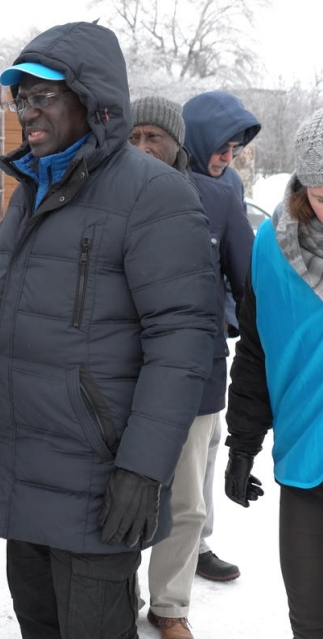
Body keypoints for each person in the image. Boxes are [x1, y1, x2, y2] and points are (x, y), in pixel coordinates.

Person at [0, 22, 218, 638]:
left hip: (99, 477)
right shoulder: (28, 192)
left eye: (44, 96)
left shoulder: (156, 194)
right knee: (38, 625)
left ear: (94, 99)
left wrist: (144, 469)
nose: (28, 113)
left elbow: (182, 344)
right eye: (22, 99)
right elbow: (6, 318)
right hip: (26, 465)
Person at [129, 96, 253, 639]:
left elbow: (250, 291)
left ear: (178, 142)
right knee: (120, 495)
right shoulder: (104, 199)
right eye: (132, 138)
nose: (143, 149)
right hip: (117, 377)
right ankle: (117, 591)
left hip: (195, 379)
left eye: (153, 136)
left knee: (184, 503)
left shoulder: (217, 201)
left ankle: (170, 605)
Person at [225, 106, 323, 639]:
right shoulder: (271, 247)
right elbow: (256, 350)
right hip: (307, 461)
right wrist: (242, 442)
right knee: (310, 619)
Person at [182, 89, 262, 582]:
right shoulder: (163, 181)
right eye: (220, 146)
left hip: (210, 344)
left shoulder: (228, 185)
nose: (226, 157)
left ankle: (199, 542)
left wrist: (231, 316)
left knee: (208, 445)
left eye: (234, 149)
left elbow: (241, 269)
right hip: (159, 345)